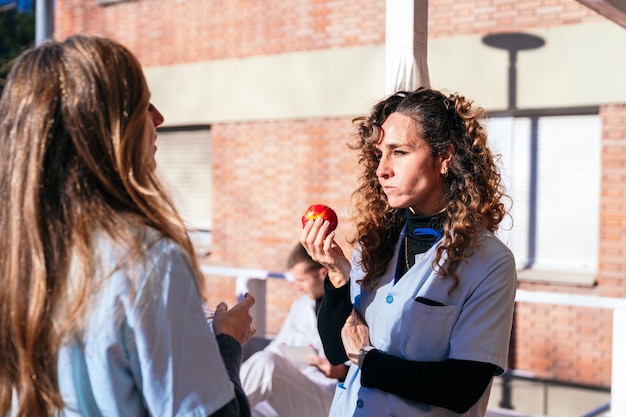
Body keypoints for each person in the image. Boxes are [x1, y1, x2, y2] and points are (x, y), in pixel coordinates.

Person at [0, 34, 256, 417]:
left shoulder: (16, 255)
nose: (159, 119)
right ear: (106, 130)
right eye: (144, 105)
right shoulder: (148, 262)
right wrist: (226, 344)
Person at [301, 87, 517, 416]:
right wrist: (336, 275)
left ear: (444, 157)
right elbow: (336, 350)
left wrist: (369, 361)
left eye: (398, 152)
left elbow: (462, 387)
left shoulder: (490, 263)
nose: (381, 169)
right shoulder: (374, 243)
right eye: (379, 155)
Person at [240, 243, 348, 417]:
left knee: (266, 364)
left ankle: (215, 408)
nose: (297, 287)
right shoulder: (300, 306)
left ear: (323, 273)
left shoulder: (350, 307)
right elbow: (276, 349)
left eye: (301, 280)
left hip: (328, 397)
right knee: (250, 410)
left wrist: (342, 372)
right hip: (291, 392)